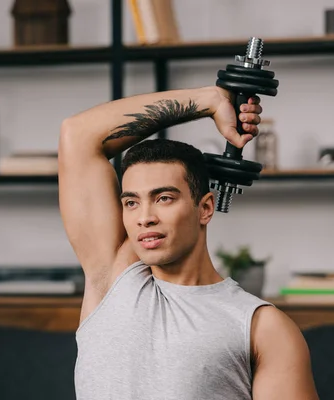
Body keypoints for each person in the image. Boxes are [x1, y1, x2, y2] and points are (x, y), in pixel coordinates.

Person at [57, 85, 319, 399]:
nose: (145, 217)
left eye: (163, 198)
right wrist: (210, 100)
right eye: (131, 203)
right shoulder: (112, 278)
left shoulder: (260, 327)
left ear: (205, 208)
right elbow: (77, 134)